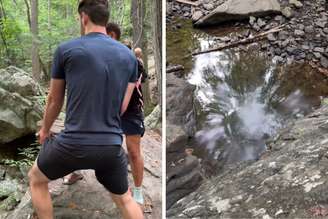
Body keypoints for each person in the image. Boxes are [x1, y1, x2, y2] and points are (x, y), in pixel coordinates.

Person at [27, 0, 143, 218]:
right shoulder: (129, 57)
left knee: (36, 179)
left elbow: (54, 100)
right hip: (110, 147)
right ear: (106, 20)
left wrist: (45, 130)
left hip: (71, 145)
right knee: (125, 199)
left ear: (84, 18)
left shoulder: (66, 50)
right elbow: (122, 107)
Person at [121, 46, 148, 205]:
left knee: (133, 150)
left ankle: (138, 190)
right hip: (113, 111)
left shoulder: (135, 64)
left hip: (132, 111)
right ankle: (120, 184)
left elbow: (140, 76)